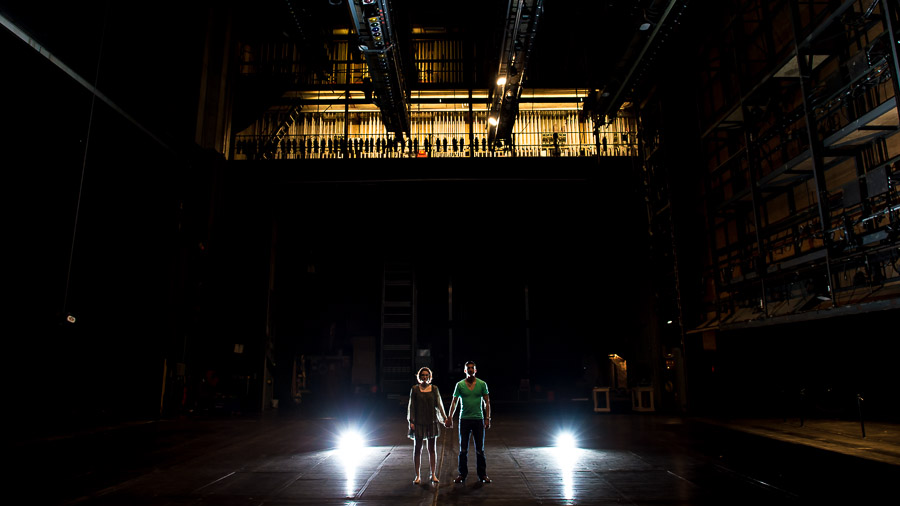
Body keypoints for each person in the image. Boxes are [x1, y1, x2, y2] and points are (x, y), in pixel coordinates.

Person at [446, 361, 491, 484]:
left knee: (480, 450)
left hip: (478, 419)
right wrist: (449, 417)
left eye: (472, 368)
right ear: (465, 371)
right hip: (464, 420)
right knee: (463, 449)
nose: (470, 370)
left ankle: (482, 475)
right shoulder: (460, 385)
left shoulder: (482, 384)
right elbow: (454, 402)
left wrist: (487, 418)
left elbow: (487, 402)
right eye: (468, 368)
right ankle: (462, 474)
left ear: (475, 370)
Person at [407, 367, 448, 484]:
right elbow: (411, 406)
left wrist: (444, 419)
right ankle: (417, 475)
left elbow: (439, 405)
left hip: (431, 422)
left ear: (429, 377)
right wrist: (411, 421)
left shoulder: (434, 389)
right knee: (417, 449)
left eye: (426, 375)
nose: (424, 377)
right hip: (419, 422)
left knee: (432, 449)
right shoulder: (414, 389)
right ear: (419, 377)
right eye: (422, 375)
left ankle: (433, 474)